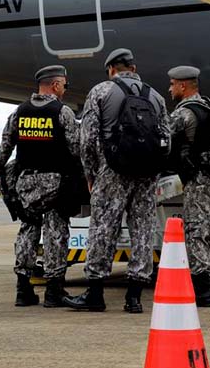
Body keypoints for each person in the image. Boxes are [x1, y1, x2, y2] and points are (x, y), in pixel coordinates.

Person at [64, 48, 169, 314]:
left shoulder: (100, 92)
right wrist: (154, 171)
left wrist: (90, 173)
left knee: (102, 230)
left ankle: (96, 294)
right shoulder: (155, 96)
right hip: (145, 175)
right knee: (143, 231)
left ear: (111, 69)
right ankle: (134, 297)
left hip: (112, 172)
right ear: (133, 68)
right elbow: (166, 141)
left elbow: (86, 139)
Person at [0, 65, 81, 308]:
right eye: (64, 84)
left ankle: (23, 288)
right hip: (54, 183)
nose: (64, 88)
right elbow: (76, 149)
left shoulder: (19, 112)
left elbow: (5, 147)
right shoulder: (62, 112)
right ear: (55, 85)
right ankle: (54, 291)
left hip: (25, 183)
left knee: (28, 230)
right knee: (55, 233)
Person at [167, 65, 210, 307]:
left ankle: (202, 292)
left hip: (199, 182)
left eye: (173, 84)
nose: (170, 88)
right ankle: (208, 282)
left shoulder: (183, 114)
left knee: (196, 233)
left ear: (183, 86)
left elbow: (163, 140)